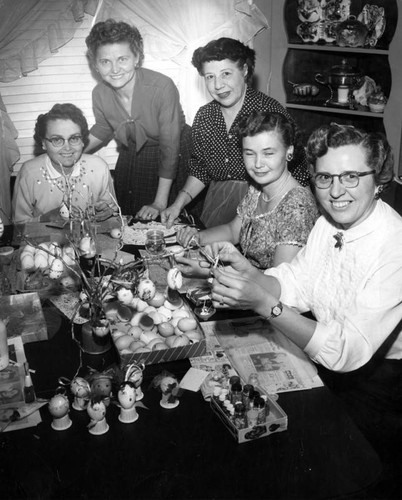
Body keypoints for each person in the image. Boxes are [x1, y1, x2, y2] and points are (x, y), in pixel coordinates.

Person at [208, 123, 402, 457]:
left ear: (380, 179)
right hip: (328, 363)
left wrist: (265, 304)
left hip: (380, 385)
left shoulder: (394, 245)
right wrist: (249, 273)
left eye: (351, 176)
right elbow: (295, 282)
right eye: (325, 178)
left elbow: (344, 351)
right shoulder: (328, 224)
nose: (336, 191)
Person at [161, 37, 310, 229]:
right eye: (210, 77)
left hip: (267, 203)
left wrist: (305, 217)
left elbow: (298, 170)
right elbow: (200, 170)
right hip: (218, 204)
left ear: (244, 71)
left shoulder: (269, 111)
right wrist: (177, 205)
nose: (218, 85)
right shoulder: (205, 116)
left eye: (226, 74)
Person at [174, 111, 318, 276]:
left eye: (268, 153)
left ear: (289, 152)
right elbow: (233, 231)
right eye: (249, 153)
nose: (257, 164)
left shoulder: (297, 207)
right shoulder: (257, 188)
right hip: (245, 283)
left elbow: (278, 283)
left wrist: (212, 272)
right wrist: (198, 238)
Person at [85, 19, 191, 220]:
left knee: (165, 222)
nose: (114, 69)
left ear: (137, 58)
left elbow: (169, 148)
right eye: (105, 61)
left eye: (122, 59)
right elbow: (103, 128)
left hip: (174, 153)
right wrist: (73, 153)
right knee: (128, 217)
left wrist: (160, 202)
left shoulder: (162, 87)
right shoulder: (99, 93)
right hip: (133, 152)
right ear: (95, 65)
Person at [12, 103, 117, 224]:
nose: (67, 148)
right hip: (44, 241)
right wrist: (45, 219)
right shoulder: (29, 173)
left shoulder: (99, 168)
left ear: (83, 141)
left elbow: (114, 217)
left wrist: (107, 213)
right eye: (57, 140)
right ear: (43, 143)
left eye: (74, 138)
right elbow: (18, 226)